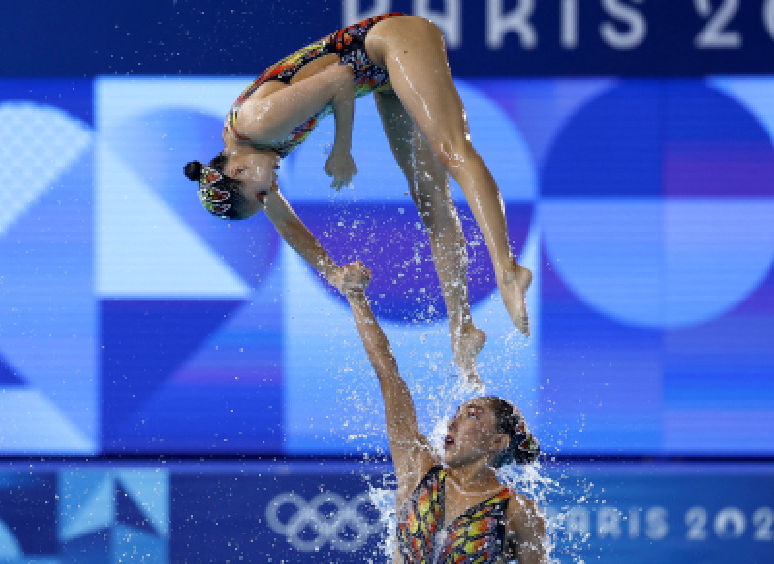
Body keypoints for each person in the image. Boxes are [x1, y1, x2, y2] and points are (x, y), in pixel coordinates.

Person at [183, 13, 532, 386]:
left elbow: (340, 79)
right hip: (380, 76)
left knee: (452, 150)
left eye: (263, 193)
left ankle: (508, 270)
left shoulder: (255, 124)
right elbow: (285, 223)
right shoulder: (253, 160)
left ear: (237, 173)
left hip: (390, 39)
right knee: (431, 201)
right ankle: (462, 328)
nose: (272, 192)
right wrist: (333, 273)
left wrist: (342, 150)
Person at [338, 260, 566, 564]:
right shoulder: (417, 473)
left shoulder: (518, 513)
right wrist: (356, 299)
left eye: (472, 414)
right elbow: (388, 375)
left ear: (498, 443)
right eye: (456, 414)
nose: (454, 421)